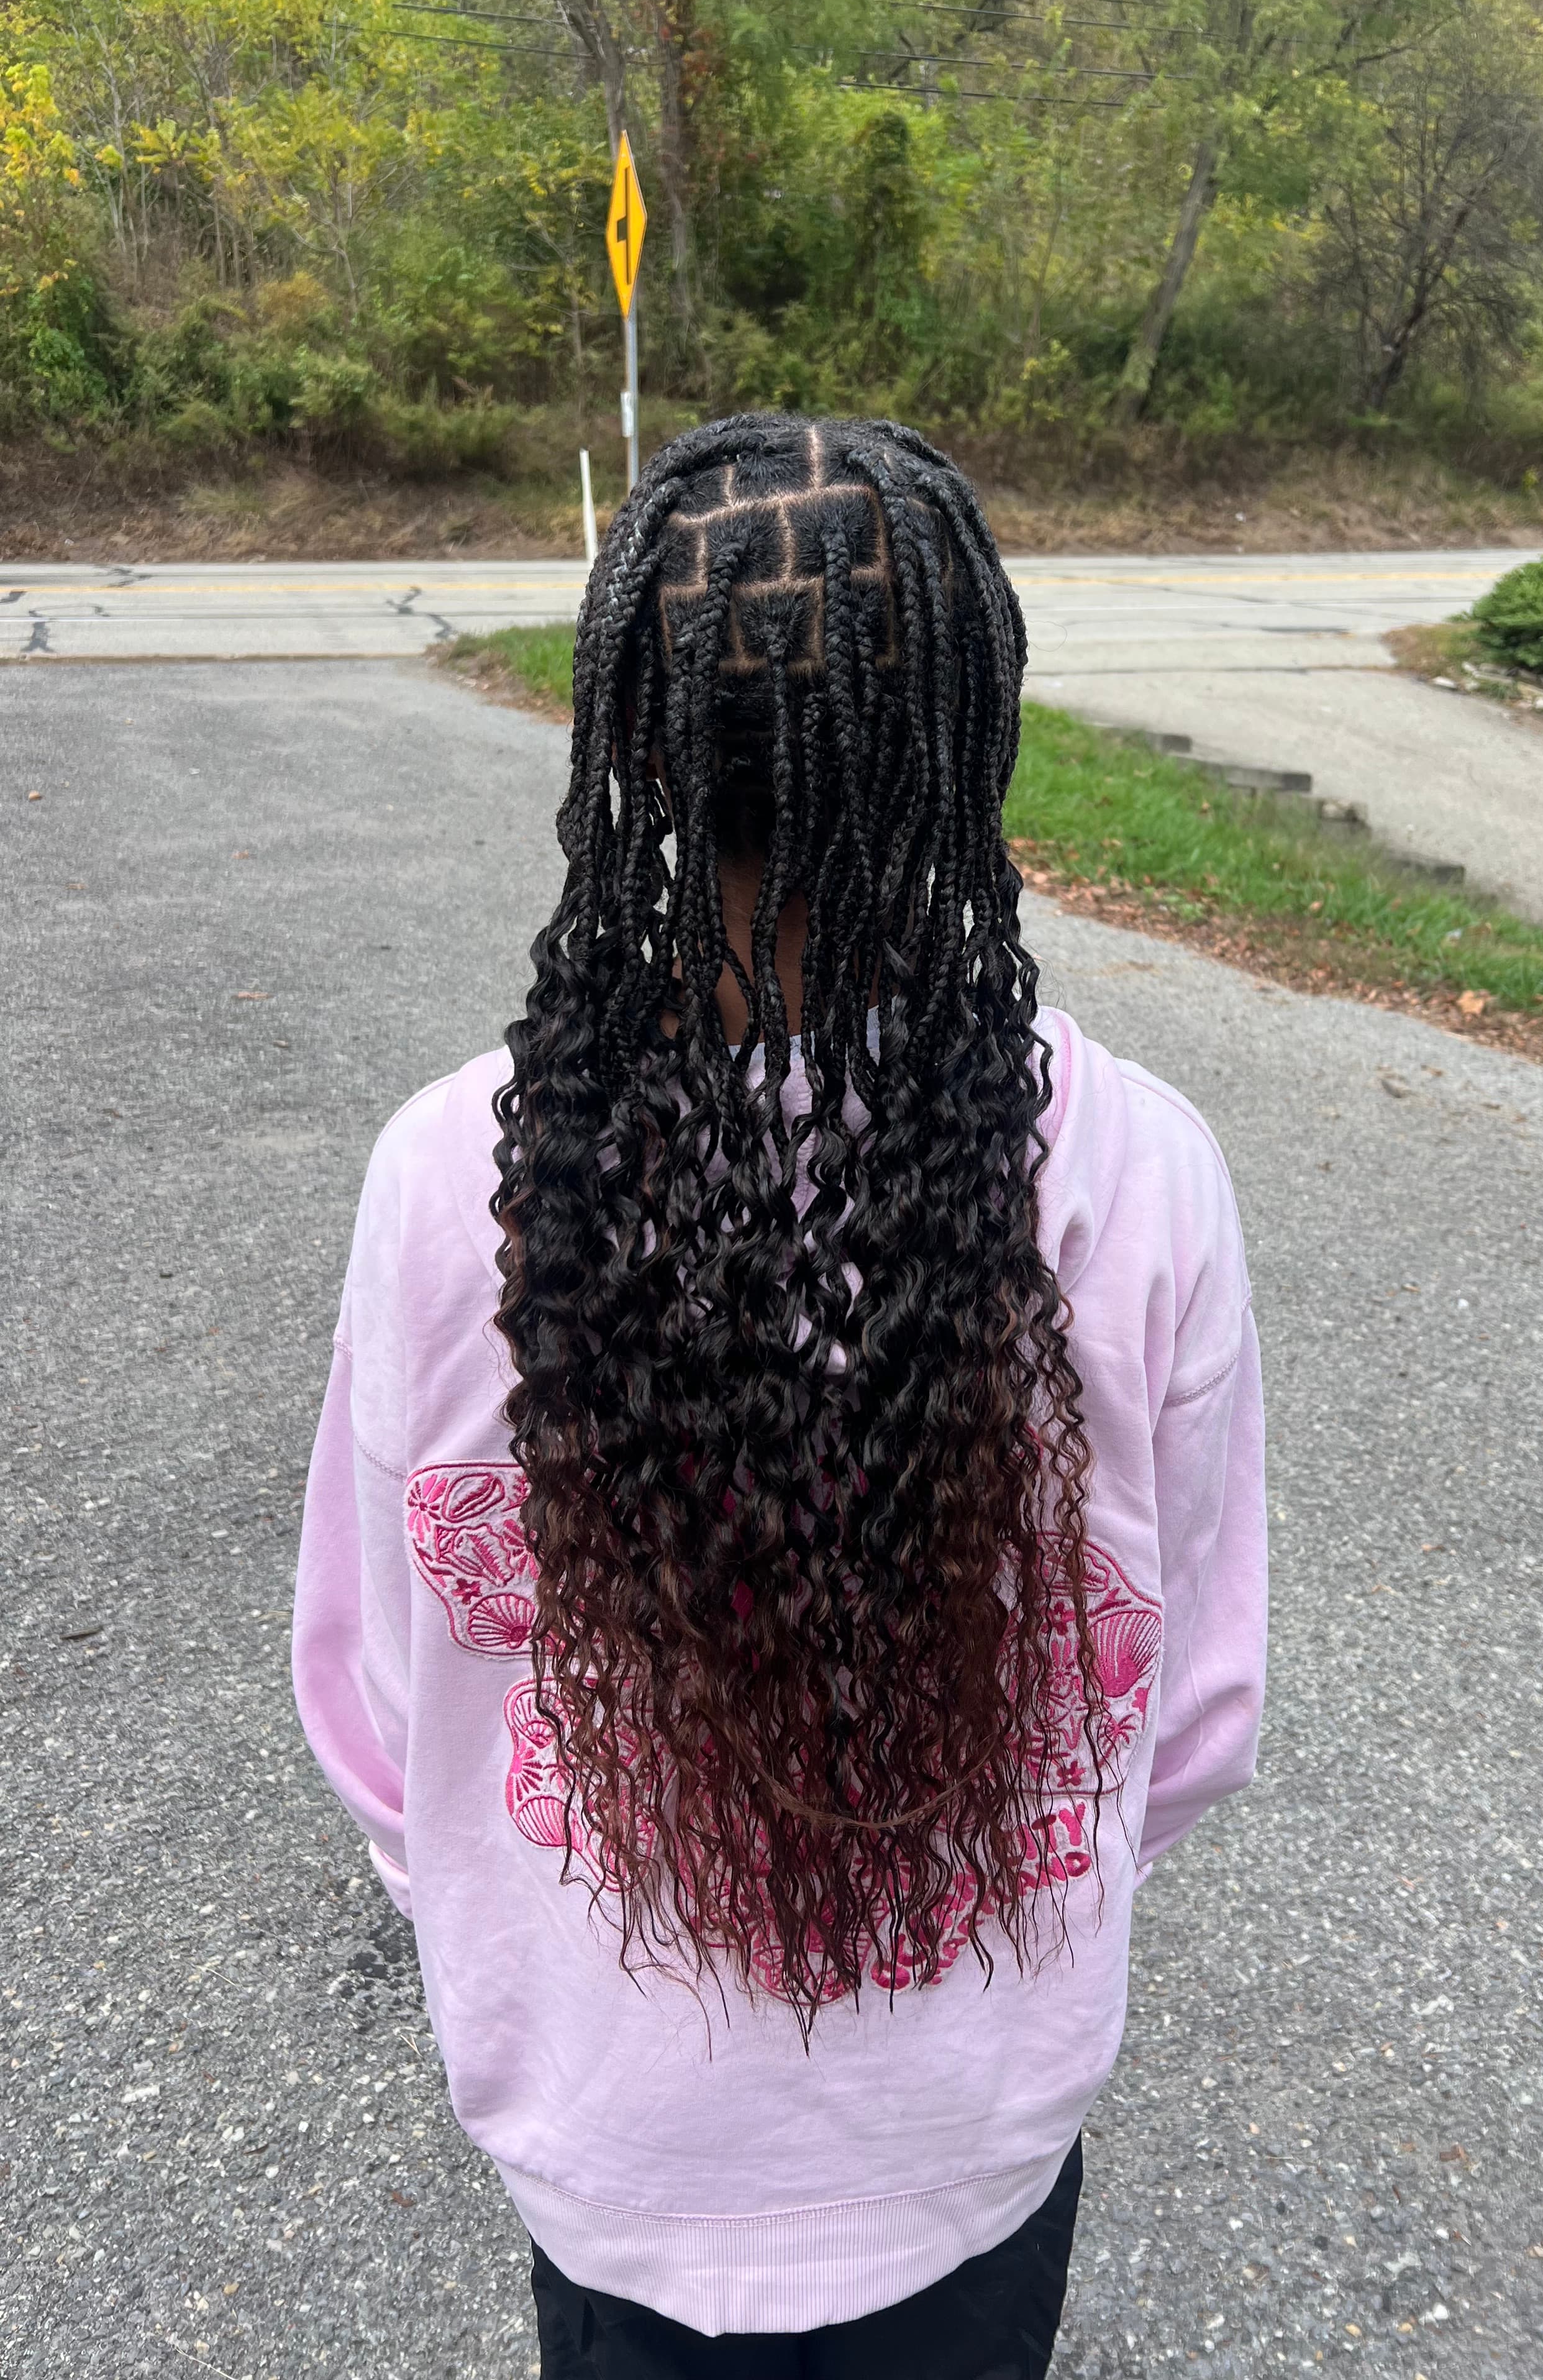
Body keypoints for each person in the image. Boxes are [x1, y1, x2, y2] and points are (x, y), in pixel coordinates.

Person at [293, 413, 1267, 2380]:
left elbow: (378, 1702)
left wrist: (523, 1931)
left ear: (629, 745)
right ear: (972, 729)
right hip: (969, 2123)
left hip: (606, 2122)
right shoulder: (1140, 1165)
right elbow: (1197, 1707)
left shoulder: (449, 1173)